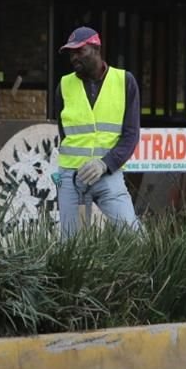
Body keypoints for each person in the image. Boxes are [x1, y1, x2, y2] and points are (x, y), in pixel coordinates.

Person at [55, 26, 140, 237]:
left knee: (133, 237)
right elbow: (64, 131)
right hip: (71, 179)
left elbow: (131, 135)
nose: (74, 57)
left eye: (80, 51)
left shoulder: (124, 81)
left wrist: (105, 164)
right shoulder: (64, 85)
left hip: (107, 174)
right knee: (70, 246)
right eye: (71, 53)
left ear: (96, 48)